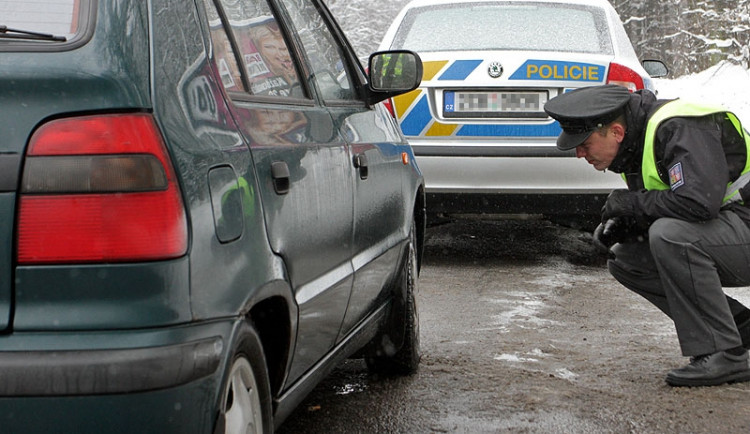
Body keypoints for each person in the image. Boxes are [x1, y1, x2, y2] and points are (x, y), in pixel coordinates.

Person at [544, 84, 750, 387]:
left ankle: (726, 353)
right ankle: (742, 331)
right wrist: (632, 225)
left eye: (584, 144)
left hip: (742, 223)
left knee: (671, 236)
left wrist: (631, 204)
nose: (579, 154)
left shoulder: (680, 128)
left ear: (615, 131)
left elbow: (698, 203)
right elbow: (675, 203)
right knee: (629, 258)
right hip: (736, 228)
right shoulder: (635, 144)